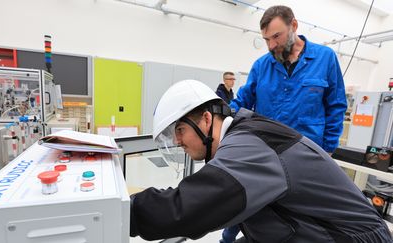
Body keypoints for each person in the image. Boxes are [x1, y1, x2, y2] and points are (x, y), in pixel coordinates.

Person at [130, 79, 391, 242]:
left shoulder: (248, 146)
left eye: (180, 131)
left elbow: (190, 208)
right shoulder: (244, 133)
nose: (177, 141)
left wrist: (125, 210)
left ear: (207, 120)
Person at [230, 5, 347, 154]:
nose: (271, 45)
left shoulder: (325, 58)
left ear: (294, 25)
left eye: (276, 36)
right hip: (266, 151)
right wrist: (218, 113)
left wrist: (328, 149)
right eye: (266, 39)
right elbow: (241, 102)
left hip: (308, 152)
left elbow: (336, 105)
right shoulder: (261, 65)